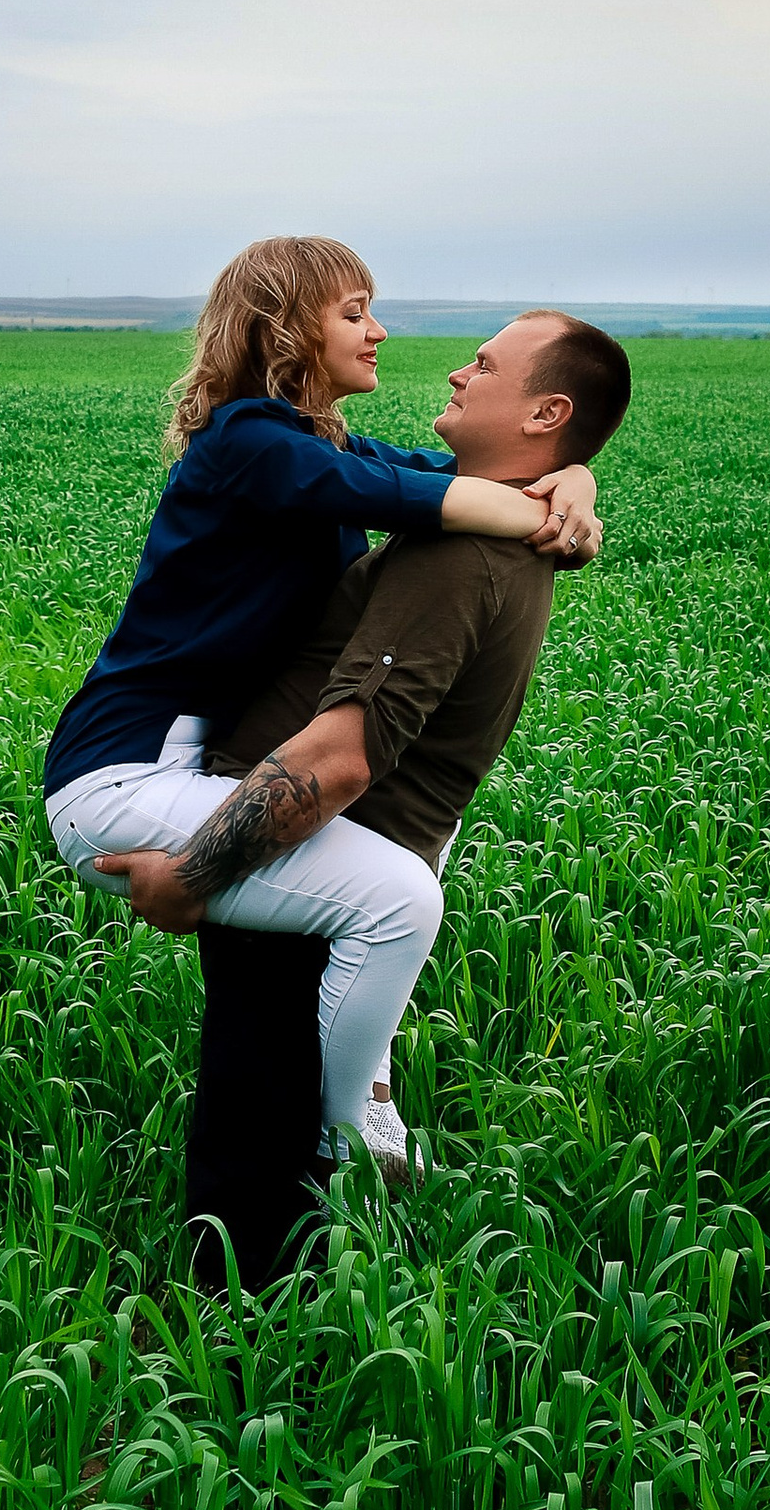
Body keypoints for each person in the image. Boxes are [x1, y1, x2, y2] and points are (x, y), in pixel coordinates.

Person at [108, 308, 634, 1278]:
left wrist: (192, 875)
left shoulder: (455, 553)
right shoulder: (492, 521)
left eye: (484, 364)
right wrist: (576, 478)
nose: (458, 372)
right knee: (282, 1105)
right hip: (339, 849)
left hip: (307, 855)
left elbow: (341, 756)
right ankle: (320, 1286)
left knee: (257, 1120)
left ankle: (232, 1342)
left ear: (545, 409)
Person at [44, 241, 602, 1092]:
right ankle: (351, 1136)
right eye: (352, 313)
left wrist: (575, 479)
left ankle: (350, 1107)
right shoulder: (249, 441)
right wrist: (555, 504)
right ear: (283, 330)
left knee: (394, 868)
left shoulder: (323, 447)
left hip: (196, 768)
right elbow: (430, 496)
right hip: (125, 775)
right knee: (397, 900)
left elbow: (457, 472)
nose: (378, 332)